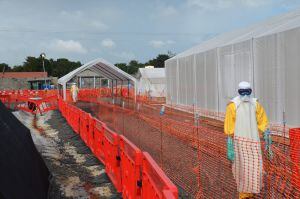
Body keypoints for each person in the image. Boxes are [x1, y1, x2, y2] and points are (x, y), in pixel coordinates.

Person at [224, 81, 271, 199]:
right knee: (243, 167)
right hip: (241, 144)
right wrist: (230, 143)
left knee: (253, 166)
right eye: (243, 92)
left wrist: (266, 134)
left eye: (247, 92)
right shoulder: (233, 105)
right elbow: (229, 127)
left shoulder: (255, 104)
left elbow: (263, 122)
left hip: (251, 142)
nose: (245, 95)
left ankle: (250, 192)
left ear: (250, 91)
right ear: (239, 92)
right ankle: (244, 193)